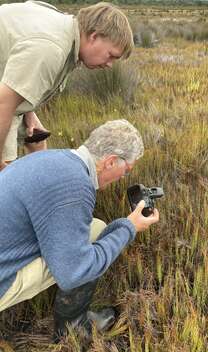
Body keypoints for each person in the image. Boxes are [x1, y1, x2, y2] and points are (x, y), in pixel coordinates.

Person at [0, 119, 159, 340]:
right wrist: (130, 227)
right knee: (93, 239)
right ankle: (72, 328)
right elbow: (74, 273)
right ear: (111, 162)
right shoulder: (74, 186)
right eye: (126, 170)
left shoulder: (55, 158)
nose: (124, 177)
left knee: (95, 227)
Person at [0, 1, 133, 171]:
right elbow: (3, 104)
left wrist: (28, 111)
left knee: (37, 145)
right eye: (111, 56)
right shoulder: (52, 49)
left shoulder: (65, 30)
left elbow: (16, 67)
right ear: (94, 36)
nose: (110, 65)